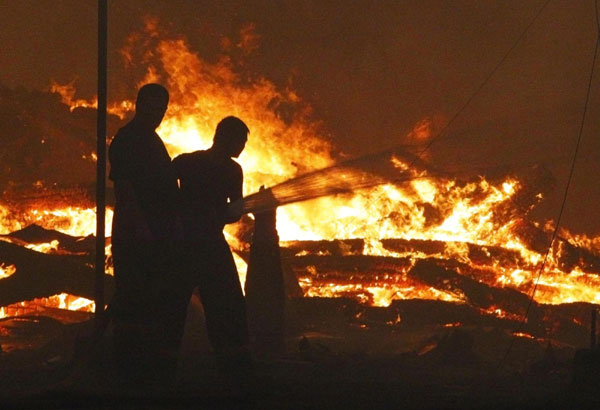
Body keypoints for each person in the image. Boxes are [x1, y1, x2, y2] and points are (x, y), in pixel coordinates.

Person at [108, 83, 187, 389]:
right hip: (136, 233)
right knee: (133, 299)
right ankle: (128, 370)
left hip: (156, 233)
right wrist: (140, 226)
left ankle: (146, 366)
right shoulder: (128, 139)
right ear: (140, 104)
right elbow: (125, 188)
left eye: (163, 108)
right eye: (155, 107)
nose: (160, 113)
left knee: (151, 300)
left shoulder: (152, 140)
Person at [172, 116, 251, 379]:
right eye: (240, 142)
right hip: (206, 244)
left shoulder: (186, 162)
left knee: (173, 303)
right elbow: (234, 213)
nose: (242, 149)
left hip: (183, 242)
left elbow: (166, 194)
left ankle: (163, 361)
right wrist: (219, 213)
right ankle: (230, 367)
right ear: (227, 139)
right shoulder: (231, 171)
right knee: (227, 305)